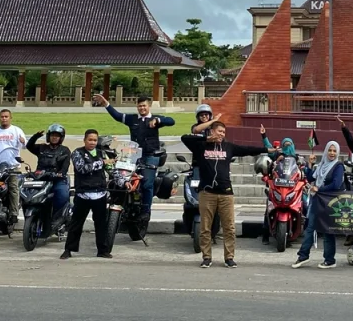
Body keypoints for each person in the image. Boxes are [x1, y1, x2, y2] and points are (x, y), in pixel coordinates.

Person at [180, 122, 267, 268]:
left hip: (226, 193)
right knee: (205, 228)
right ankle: (207, 257)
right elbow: (185, 138)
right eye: (219, 131)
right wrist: (207, 139)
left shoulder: (228, 147)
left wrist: (267, 149)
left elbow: (248, 149)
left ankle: (229, 258)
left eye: (223, 132)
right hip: (207, 193)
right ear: (211, 131)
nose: (222, 134)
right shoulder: (200, 146)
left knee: (229, 228)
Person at [94, 93, 175, 222]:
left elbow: (171, 121)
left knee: (147, 184)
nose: (142, 108)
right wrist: (106, 104)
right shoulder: (132, 119)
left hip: (151, 156)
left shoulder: (155, 119)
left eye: (144, 106)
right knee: (120, 179)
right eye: (139, 106)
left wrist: (159, 121)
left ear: (149, 106)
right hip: (134, 155)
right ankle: (121, 206)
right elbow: (117, 116)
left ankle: (145, 211)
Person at [292, 141, 345, 269]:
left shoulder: (338, 166)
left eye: (334, 151)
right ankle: (303, 256)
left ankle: (330, 259)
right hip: (317, 201)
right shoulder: (322, 165)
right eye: (330, 150)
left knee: (327, 230)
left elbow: (336, 185)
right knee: (310, 228)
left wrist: (319, 189)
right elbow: (310, 178)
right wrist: (310, 164)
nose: (332, 153)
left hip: (329, 202)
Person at [61, 129, 111, 260]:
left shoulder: (102, 153)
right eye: (90, 140)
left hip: (100, 193)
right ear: (84, 140)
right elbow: (81, 168)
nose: (92, 142)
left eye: (95, 140)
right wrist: (101, 163)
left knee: (101, 224)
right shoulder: (77, 153)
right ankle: (68, 249)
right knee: (76, 223)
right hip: (83, 194)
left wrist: (123, 181)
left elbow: (111, 170)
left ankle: (103, 250)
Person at [26, 123, 71, 236]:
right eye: (52, 135)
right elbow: (29, 146)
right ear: (48, 136)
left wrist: (60, 173)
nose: (54, 137)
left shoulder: (64, 150)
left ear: (61, 138)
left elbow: (65, 166)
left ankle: (57, 218)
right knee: (26, 192)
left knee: (62, 194)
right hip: (40, 178)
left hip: (56, 179)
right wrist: (35, 136)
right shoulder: (42, 147)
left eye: (57, 135)